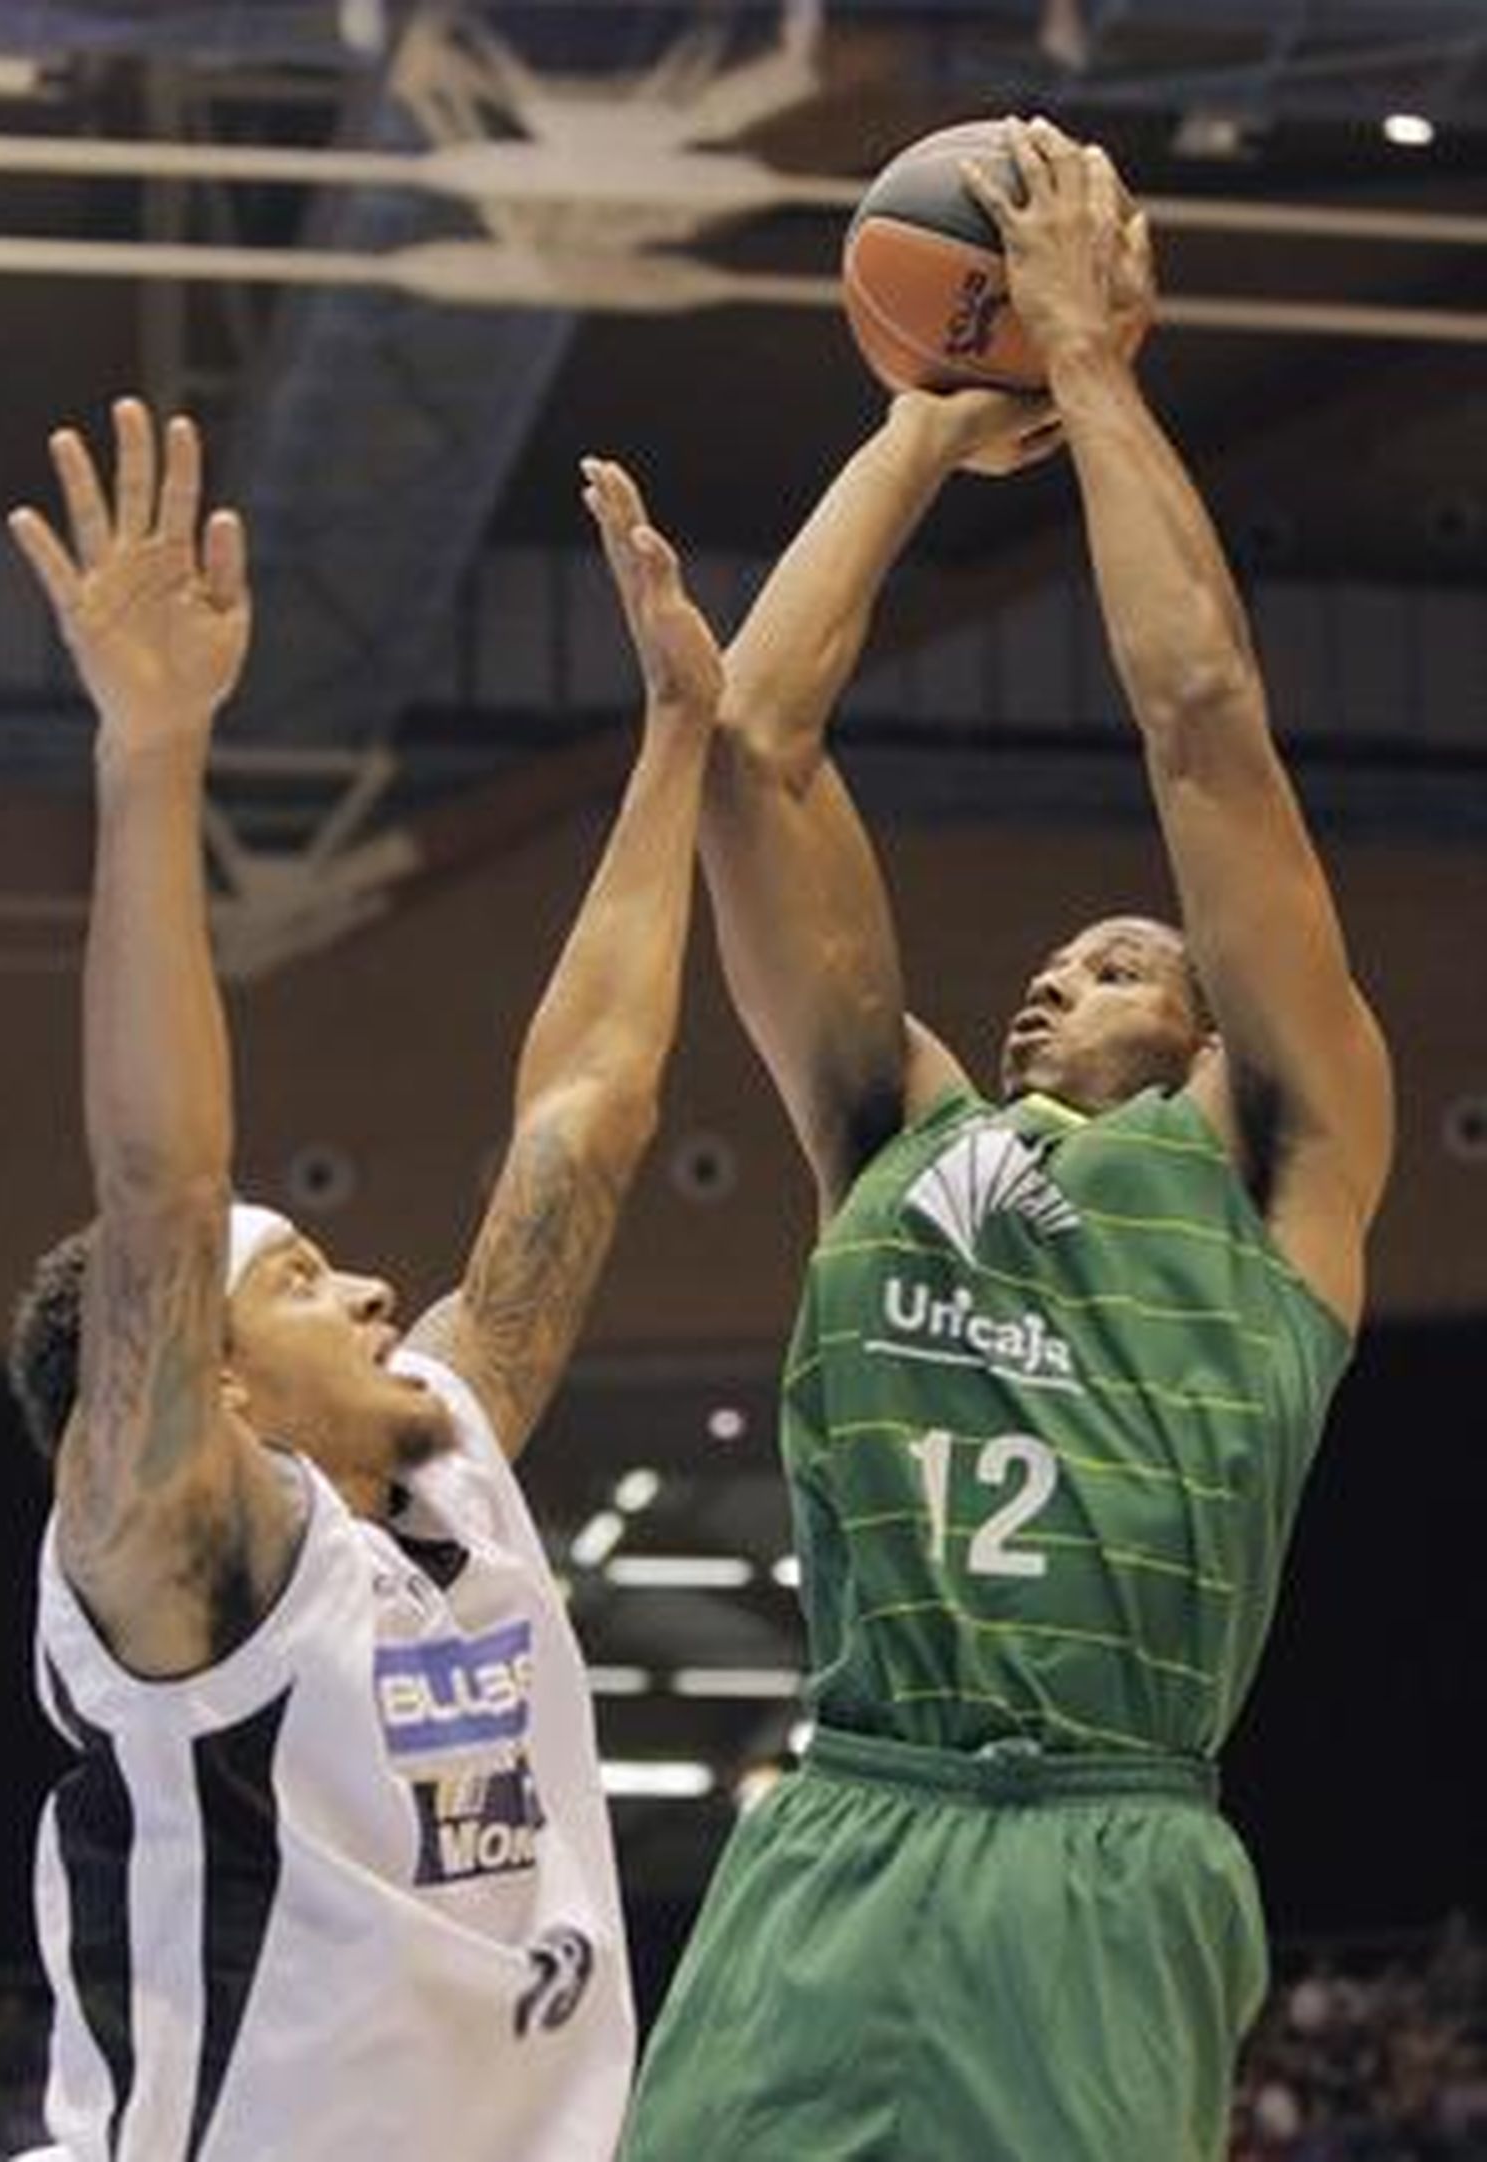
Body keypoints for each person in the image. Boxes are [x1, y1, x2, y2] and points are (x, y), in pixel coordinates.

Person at [622, 117, 1393, 2162]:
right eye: (1047, 965)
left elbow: (1201, 721)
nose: (1059, 981)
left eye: (1123, 956)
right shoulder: (893, 1129)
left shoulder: (1280, 1163)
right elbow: (753, 746)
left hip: (1090, 1851)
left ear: (1216, 1020)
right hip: (836, 1828)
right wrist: (928, 419)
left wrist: (1089, 368)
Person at [3, 400, 722, 2162]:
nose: (381, 1292)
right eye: (310, 1279)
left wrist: (679, 741)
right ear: (211, 1388)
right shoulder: (178, 1572)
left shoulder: (446, 1472)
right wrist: (152, 758)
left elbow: (585, 1116)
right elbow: (160, 1189)